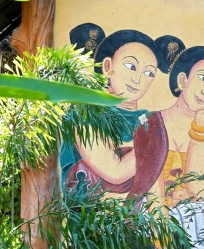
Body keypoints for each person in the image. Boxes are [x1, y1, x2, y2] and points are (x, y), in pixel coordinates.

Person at [128, 45, 204, 249]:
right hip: (154, 220)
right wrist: (163, 246)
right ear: (183, 80)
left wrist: (200, 127)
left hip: (197, 225)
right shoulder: (150, 123)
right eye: (203, 78)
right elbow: (153, 193)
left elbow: (199, 190)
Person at [63, 24, 185, 192]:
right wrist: (155, 143)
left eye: (148, 73)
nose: (138, 79)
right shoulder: (86, 112)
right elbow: (114, 172)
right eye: (131, 66)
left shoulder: (151, 119)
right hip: (93, 207)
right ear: (107, 67)